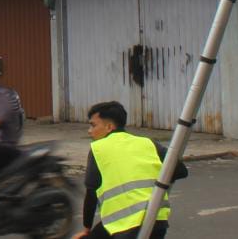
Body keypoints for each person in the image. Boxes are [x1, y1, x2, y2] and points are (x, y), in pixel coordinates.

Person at [75, 101, 187, 239]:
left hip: (124, 227)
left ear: (109, 126)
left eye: (93, 125)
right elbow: (181, 171)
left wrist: (87, 228)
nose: (89, 130)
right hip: (156, 222)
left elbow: (91, 192)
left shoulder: (99, 149)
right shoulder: (147, 143)